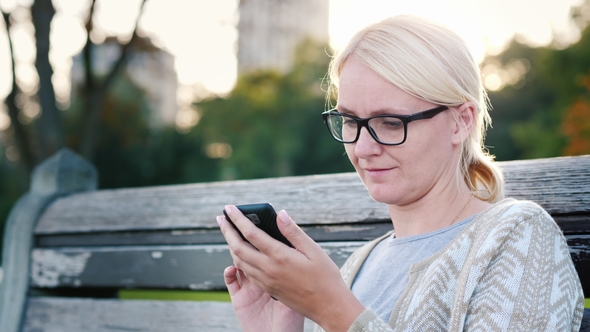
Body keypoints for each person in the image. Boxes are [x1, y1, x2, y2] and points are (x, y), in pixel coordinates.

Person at [217, 15, 585, 331]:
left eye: (391, 123)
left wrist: (332, 309)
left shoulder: (518, 236)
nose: (361, 149)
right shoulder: (359, 265)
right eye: (349, 121)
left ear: (461, 121)